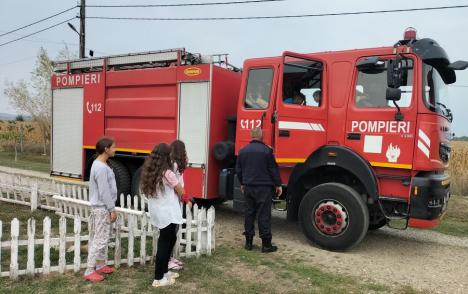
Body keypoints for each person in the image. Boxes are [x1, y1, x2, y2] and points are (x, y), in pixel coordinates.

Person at [140, 143, 185, 287]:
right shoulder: (168, 173)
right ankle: (158, 278)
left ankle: (165, 272)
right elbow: (181, 190)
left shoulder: (150, 171)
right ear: (167, 156)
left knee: (169, 240)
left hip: (158, 212)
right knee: (165, 244)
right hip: (168, 212)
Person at [235, 127, 282, 253]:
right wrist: (278, 184)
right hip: (264, 187)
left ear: (251, 136)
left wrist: (242, 183)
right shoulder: (267, 151)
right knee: (263, 215)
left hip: (248, 186)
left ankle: (248, 243)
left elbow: (238, 170)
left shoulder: (243, 151)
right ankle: (266, 245)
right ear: (261, 136)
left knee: (249, 213)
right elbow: (273, 169)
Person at [84, 137, 118, 282]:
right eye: (114, 147)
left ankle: (100, 265)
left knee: (103, 237)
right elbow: (104, 191)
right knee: (100, 239)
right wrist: (112, 209)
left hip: (103, 207)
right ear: (106, 149)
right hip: (102, 208)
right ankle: (89, 270)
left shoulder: (101, 165)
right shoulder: (100, 167)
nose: (115, 149)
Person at [168, 140, 193, 271]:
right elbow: (177, 186)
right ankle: (167, 260)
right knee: (171, 233)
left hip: (176, 202)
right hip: (172, 203)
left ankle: (170, 258)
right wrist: (185, 198)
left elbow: (180, 184)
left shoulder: (176, 165)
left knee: (174, 232)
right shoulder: (174, 165)